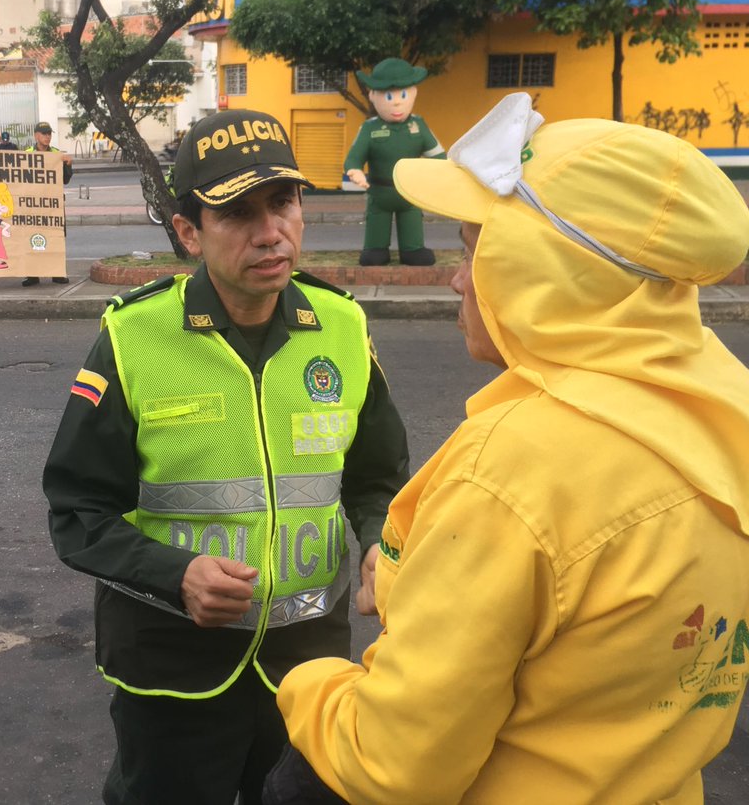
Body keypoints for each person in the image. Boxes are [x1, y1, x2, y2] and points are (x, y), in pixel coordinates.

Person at [264, 93, 749, 805]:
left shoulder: (513, 471)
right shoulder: (720, 412)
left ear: (546, 268)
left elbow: (393, 766)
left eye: (473, 250)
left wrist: (310, 682)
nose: (457, 278)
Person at [43, 108, 411, 805]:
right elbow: (77, 509)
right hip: (173, 669)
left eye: (284, 202)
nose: (271, 231)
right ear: (188, 232)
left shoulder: (341, 325)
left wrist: (376, 542)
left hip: (307, 668)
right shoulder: (133, 336)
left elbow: (378, 479)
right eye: (237, 213)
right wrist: (176, 573)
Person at [342, 57, 444, 267]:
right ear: (373, 96)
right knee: (376, 232)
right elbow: (354, 157)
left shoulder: (418, 125)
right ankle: (376, 248)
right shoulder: (370, 128)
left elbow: (438, 155)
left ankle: (412, 249)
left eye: (403, 95)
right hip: (380, 192)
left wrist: (443, 172)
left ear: (413, 93)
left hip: (410, 192)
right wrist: (354, 170)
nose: (397, 102)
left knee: (412, 222)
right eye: (389, 96)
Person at [22, 120, 72, 286]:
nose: (47, 136)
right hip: (33, 205)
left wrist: (68, 165)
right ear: (36, 135)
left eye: (49, 133)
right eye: (44, 133)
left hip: (53, 205)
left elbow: (65, 180)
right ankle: (32, 275)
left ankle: (56, 273)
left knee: (55, 237)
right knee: (32, 237)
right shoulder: (26, 154)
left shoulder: (57, 154)